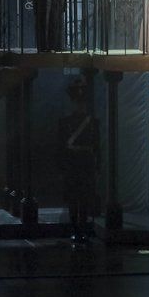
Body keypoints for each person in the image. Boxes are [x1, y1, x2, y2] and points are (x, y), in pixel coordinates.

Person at [58, 76, 98, 245]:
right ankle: (76, 229)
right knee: (74, 199)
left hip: (86, 162)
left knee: (85, 199)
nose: (79, 105)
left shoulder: (93, 122)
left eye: (81, 102)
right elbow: (60, 146)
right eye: (77, 102)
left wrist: (97, 166)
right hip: (73, 163)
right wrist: (62, 167)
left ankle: (82, 229)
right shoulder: (65, 123)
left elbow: (97, 145)